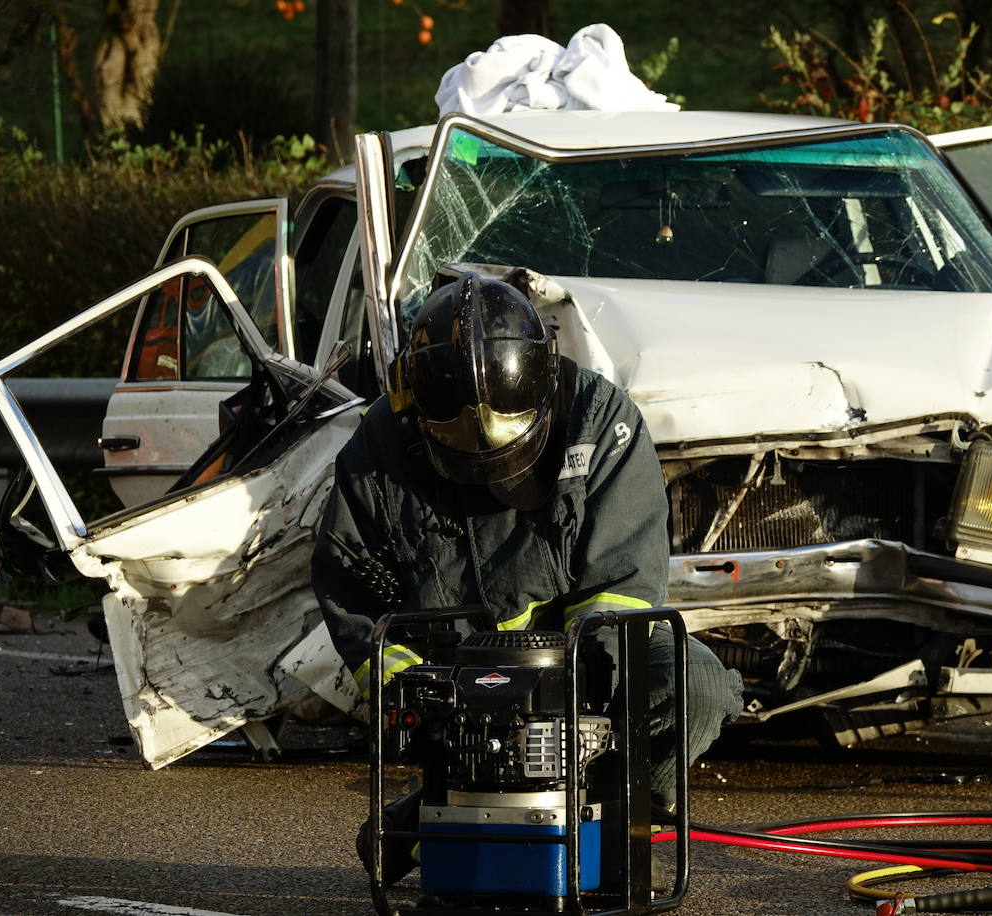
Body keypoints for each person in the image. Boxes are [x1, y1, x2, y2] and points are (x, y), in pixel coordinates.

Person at [311, 270, 743, 882]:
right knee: (460, 743)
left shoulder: (600, 422)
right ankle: (442, 821)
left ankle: (595, 826)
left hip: (583, 672)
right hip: (459, 682)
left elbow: (623, 590)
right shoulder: (378, 447)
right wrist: (409, 691)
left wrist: (556, 699)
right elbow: (350, 587)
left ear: (542, 377)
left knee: (696, 683)